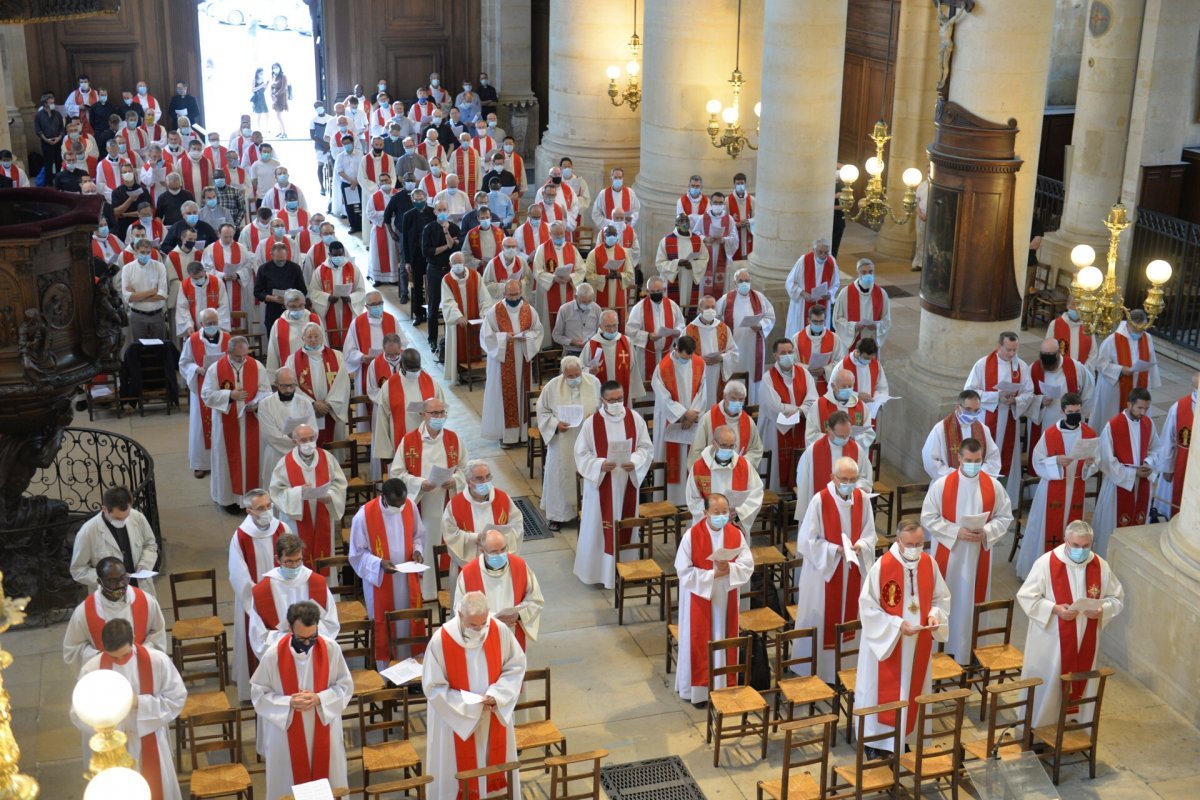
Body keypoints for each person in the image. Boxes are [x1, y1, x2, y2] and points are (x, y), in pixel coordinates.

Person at [1016, 520, 1124, 730]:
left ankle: (1074, 727)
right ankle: (1039, 726)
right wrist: (1055, 609)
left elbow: (1117, 599)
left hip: (1085, 638)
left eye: (1086, 546)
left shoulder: (1100, 565)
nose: (1081, 551)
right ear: (1066, 540)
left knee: (1079, 679)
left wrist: (1102, 610)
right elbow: (1027, 597)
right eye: (1076, 546)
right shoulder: (1046, 563)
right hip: (1051, 639)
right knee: (1049, 682)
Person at [855, 520, 951, 754]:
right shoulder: (882, 566)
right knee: (881, 692)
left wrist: (933, 616)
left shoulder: (929, 563)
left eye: (920, 543)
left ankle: (905, 737)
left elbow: (941, 598)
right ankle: (876, 743)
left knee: (912, 691)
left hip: (918, 644)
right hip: (888, 644)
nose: (915, 548)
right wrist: (898, 626)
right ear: (898, 541)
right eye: (910, 544)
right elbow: (868, 608)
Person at [422, 590, 526, 800]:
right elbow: (434, 687)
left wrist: (497, 695)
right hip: (457, 723)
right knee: (458, 777)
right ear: (459, 615)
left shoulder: (499, 630)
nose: (479, 630)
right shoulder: (441, 641)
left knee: (494, 773)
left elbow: (515, 666)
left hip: (493, 714)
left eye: (482, 623)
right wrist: (470, 707)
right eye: (472, 625)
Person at [921, 438, 1014, 664]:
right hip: (950, 556)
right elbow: (928, 517)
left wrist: (987, 532)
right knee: (947, 599)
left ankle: (968, 651)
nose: (974, 464)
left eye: (978, 460)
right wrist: (956, 532)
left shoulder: (993, 486)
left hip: (978, 556)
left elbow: (1005, 516)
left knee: (972, 601)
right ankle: (941, 651)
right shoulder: (942, 485)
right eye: (969, 460)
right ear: (959, 459)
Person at [73, 618, 186, 800]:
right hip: (113, 748)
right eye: (113, 657)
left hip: (150, 742)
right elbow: (77, 713)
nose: (119, 661)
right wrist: (106, 719)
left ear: (133, 639)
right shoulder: (92, 670)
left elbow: (176, 698)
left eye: (124, 655)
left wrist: (138, 702)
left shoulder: (157, 661)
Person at [251, 600, 353, 800]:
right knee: (287, 782)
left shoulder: (331, 649)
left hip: (323, 724)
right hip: (286, 731)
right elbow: (259, 694)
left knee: (329, 778)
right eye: (301, 638)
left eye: (312, 637)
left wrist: (319, 698)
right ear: (290, 629)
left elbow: (345, 686)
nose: (307, 643)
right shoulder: (273, 655)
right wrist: (288, 702)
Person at [793, 457, 878, 682]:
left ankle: (849, 669)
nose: (849, 483)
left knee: (852, 617)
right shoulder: (819, 501)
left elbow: (870, 533)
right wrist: (834, 550)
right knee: (822, 618)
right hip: (825, 574)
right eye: (844, 479)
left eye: (853, 479)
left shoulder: (863, 499)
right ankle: (819, 670)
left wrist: (861, 545)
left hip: (853, 570)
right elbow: (806, 541)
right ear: (833, 477)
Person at [674, 493, 754, 704]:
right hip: (700, 597)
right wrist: (712, 575)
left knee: (723, 638)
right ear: (705, 513)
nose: (721, 516)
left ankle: (723, 687)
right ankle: (698, 692)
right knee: (699, 640)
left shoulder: (736, 534)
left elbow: (747, 565)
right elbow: (683, 571)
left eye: (725, 512)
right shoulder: (692, 535)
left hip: (726, 595)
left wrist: (730, 568)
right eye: (716, 513)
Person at [574, 380, 653, 587]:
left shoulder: (635, 419)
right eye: (612, 400)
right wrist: (600, 464)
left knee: (625, 525)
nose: (617, 403)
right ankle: (599, 574)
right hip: (602, 485)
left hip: (626, 481)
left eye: (620, 398)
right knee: (598, 529)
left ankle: (626, 569)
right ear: (602, 400)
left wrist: (635, 461)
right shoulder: (591, 424)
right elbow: (581, 453)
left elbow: (646, 447)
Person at [1017, 393, 1099, 580]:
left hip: (1077, 486)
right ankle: (1042, 575)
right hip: (1051, 489)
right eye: (1070, 412)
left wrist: (1089, 463)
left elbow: (1095, 463)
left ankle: (1067, 572)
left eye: (1078, 412)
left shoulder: (1089, 434)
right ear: (1062, 411)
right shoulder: (1050, 434)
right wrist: (1055, 461)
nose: (1074, 415)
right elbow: (1037, 461)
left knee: (1072, 529)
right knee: (1047, 530)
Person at [391, 398, 468, 596]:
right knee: (425, 543)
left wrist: (456, 479)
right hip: (421, 503)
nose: (438, 417)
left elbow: (465, 467)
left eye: (442, 413)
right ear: (423, 414)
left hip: (446, 500)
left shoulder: (453, 439)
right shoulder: (409, 440)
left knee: (449, 545)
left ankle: (450, 590)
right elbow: (397, 473)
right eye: (434, 413)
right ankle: (426, 591)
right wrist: (419, 483)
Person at [349, 479, 426, 667]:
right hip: (381, 580)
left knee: (409, 623)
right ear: (383, 497)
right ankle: (386, 674)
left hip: (408, 579)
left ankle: (413, 671)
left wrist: (417, 551)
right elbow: (357, 554)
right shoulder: (364, 516)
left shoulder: (409, 506)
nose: (400, 508)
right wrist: (380, 564)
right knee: (386, 625)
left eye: (402, 502)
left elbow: (417, 535)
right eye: (395, 504)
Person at [227, 489, 286, 701]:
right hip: (252, 602)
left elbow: (294, 560)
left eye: (268, 506)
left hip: (282, 599)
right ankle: (255, 692)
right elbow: (238, 574)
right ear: (249, 510)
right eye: (260, 508)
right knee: (252, 640)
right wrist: (259, 601)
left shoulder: (282, 528)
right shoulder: (241, 536)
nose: (267, 511)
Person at [202, 336, 272, 514]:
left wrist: (256, 403)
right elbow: (207, 394)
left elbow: (265, 390)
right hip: (227, 423)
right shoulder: (215, 369)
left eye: (245, 355)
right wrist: (229, 395)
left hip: (251, 421)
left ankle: (254, 499)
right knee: (227, 460)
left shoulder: (256, 366)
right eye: (238, 356)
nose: (242, 359)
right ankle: (230, 500)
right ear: (228, 352)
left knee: (253, 459)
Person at [965, 331, 1034, 507]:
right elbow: (969, 393)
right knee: (985, 457)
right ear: (999, 346)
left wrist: (1015, 400)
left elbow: (1029, 392)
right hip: (988, 421)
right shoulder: (982, 365)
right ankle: (978, 501)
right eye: (1008, 350)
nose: (1012, 354)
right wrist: (997, 396)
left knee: (1007, 460)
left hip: (1010, 419)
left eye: (1015, 350)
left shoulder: (1022, 367)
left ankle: (1002, 503)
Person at [63, 558, 168, 671]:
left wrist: (137, 653)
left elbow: (158, 634)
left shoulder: (147, 602)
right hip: (107, 677)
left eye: (123, 578)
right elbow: (72, 650)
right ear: (100, 582)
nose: (120, 585)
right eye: (112, 581)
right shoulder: (83, 612)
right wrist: (102, 657)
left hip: (140, 670)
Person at [247, 536, 340, 661]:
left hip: (313, 650)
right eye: (289, 561)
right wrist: (292, 641)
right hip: (280, 655)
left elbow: (331, 622)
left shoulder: (316, 583)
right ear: (278, 559)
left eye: (298, 560)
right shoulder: (263, 591)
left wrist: (306, 636)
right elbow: (257, 634)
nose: (294, 566)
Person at [269, 424, 348, 570]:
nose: (308, 443)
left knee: (324, 559)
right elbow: (276, 492)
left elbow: (340, 483)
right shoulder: (285, 463)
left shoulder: (327, 458)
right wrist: (298, 492)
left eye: (311, 439)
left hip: (322, 513)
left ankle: (324, 590)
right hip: (297, 519)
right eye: (303, 440)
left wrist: (330, 496)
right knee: (296, 554)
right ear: (295, 442)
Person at [536, 356, 601, 529]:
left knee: (586, 473)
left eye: (577, 374)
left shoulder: (593, 382)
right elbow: (542, 412)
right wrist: (555, 424)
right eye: (570, 376)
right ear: (563, 373)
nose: (574, 379)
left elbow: (602, 407)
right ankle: (558, 516)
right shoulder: (552, 386)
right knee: (559, 476)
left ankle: (585, 513)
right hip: (562, 440)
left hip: (587, 439)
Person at [1093, 388, 1159, 556]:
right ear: (1129, 404)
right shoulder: (1113, 426)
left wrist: (1148, 463)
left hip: (1141, 484)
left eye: (1146, 408)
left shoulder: (1148, 424)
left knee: (1138, 524)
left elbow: (1156, 449)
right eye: (1139, 408)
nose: (1143, 412)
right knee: (1113, 526)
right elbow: (1107, 459)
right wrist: (1132, 474)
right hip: (1118, 486)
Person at [455, 529, 544, 650]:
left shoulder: (520, 566)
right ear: (482, 551)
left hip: (512, 634)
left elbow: (536, 599)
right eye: (494, 552)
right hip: (481, 638)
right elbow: (459, 610)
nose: (500, 554)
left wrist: (519, 614)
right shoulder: (468, 574)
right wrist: (489, 620)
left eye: (503, 549)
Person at [481, 280, 545, 445]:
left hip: (523, 359)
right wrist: (504, 338)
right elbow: (486, 337)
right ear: (504, 294)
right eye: (510, 295)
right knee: (503, 398)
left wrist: (527, 337)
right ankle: (506, 436)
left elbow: (538, 331)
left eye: (516, 294)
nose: (514, 298)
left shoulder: (529, 310)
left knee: (522, 396)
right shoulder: (494, 312)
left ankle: (523, 435)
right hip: (501, 362)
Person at [442, 461, 524, 584]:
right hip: (468, 569)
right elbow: (450, 535)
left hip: (500, 566)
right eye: (479, 479)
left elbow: (517, 525)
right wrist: (476, 537)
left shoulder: (502, 498)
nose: (485, 482)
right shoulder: (455, 505)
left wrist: (497, 539)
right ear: (468, 482)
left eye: (488, 477)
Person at [69, 486, 159, 598]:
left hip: (140, 591)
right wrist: (108, 579)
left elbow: (150, 545)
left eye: (126, 517)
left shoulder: (137, 517)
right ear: (104, 509)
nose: (122, 521)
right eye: (117, 518)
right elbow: (78, 570)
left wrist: (145, 564)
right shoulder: (88, 532)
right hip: (109, 597)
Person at [651, 336, 709, 504]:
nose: (688, 361)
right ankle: (668, 500)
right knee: (672, 462)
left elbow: (703, 391)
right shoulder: (663, 367)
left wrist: (693, 415)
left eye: (690, 358)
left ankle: (692, 499)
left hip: (693, 421)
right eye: (684, 358)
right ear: (676, 349)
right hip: (671, 420)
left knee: (692, 457)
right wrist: (683, 414)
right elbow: (663, 397)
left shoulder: (699, 363)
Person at [759, 338, 817, 491]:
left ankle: (796, 502)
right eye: (783, 353)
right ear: (775, 355)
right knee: (777, 471)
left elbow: (813, 400)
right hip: (776, 429)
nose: (787, 355)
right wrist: (800, 410)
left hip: (801, 428)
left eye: (790, 352)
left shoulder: (804, 373)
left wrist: (801, 411)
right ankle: (776, 501)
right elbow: (774, 407)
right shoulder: (768, 378)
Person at [372, 346, 445, 467]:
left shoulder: (431, 383)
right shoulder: (389, 386)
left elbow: (443, 409)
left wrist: (433, 416)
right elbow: (381, 419)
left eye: (417, 368)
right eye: (411, 369)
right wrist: (385, 451)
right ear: (401, 364)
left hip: (427, 443)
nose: (415, 372)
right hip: (399, 442)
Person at [178, 309, 229, 478]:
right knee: (200, 427)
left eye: (215, 322)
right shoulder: (192, 341)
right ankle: (201, 463)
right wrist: (197, 369)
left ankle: (223, 460)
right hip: (201, 387)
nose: (213, 326)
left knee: (223, 424)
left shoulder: (227, 338)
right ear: (201, 325)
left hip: (223, 387)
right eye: (209, 324)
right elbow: (184, 363)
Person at [1090, 310, 1161, 430]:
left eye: (1142, 329)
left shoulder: (1147, 338)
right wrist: (1121, 369)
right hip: (1117, 388)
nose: (1139, 333)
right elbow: (1101, 364)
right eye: (1136, 329)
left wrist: (1152, 380)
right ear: (1128, 324)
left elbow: (1151, 358)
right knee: (1113, 421)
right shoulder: (1112, 340)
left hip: (1139, 383)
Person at [794, 411, 873, 519]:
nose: (845, 439)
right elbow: (803, 483)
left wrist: (857, 487)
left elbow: (864, 476)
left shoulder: (857, 450)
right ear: (829, 430)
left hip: (848, 506)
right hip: (820, 509)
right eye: (840, 436)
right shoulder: (812, 452)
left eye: (847, 435)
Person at [685, 425, 764, 530]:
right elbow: (693, 499)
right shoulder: (699, 467)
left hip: (734, 523)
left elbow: (756, 493)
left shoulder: (744, 466)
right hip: (708, 525)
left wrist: (738, 512)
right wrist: (714, 514)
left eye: (731, 446)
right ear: (714, 443)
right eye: (723, 445)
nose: (728, 450)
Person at [715, 269, 774, 404]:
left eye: (747, 281)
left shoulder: (759, 298)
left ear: (751, 281)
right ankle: (733, 402)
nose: (744, 283)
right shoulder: (726, 299)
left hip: (753, 346)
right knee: (735, 375)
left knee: (752, 376)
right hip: (733, 347)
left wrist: (761, 326)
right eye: (741, 281)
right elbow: (716, 318)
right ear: (735, 283)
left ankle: (752, 403)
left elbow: (770, 317)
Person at [1028, 336, 1095, 453]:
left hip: (1070, 421)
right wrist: (1040, 401)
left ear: (1059, 353)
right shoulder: (1033, 369)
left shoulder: (1075, 367)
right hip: (1043, 422)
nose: (1048, 367)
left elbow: (1089, 389)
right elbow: (1025, 396)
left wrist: (1081, 413)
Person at [255, 366, 318, 487]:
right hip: (276, 455)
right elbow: (270, 436)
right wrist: (298, 441)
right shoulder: (265, 404)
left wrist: (301, 442)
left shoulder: (305, 402)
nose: (288, 390)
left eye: (291, 385)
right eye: (283, 386)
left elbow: (313, 431)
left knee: (300, 491)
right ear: (276, 384)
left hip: (302, 455)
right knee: (277, 492)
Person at [922, 389, 1002, 480]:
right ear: (958, 407)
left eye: (976, 410)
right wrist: (958, 476)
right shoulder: (941, 429)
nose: (972, 414)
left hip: (976, 483)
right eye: (968, 409)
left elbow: (993, 457)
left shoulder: (983, 429)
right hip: (949, 483)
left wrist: (978, 474)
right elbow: (930, 461)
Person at [1153, 372, 1197, 518]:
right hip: (1181, 464)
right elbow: (1167, 439)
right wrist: (1167, 467)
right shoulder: (1179, 408)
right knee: (1175, 506)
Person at [691, 380, 764, 467]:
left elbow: (756, 450)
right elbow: (697, 451)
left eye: (741, 399)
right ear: (724, 397)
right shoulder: (708, 418)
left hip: (738, 472)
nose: (737, 403)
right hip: (713, 472)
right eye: (733, 398)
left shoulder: (749, 422)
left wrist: (740, 463)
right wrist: (712, 465)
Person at [626, 275, 685, 379]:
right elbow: (630, 330)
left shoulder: (672, 305)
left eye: (659, 291)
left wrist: (677, 331)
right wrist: (648, 336)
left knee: (666, 385)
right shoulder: (639, 308)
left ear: (664, 290)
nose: (656, 294)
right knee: (648, 390)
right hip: (646, 355)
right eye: (652, 292)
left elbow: (681, 323)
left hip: (668, 353)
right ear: (647, 292)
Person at [424, 199, 464, 350]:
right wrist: (447, 245)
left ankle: (453, 338)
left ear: (448, 211)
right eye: (438, 210)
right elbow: (427, 252)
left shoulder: (453, 228)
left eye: (444, 210)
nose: (441, 213)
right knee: (434, 305)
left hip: (450, 270)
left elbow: (455, 251)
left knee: (454, 303)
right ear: (434, 212)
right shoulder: (428, 229)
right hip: (434, 269)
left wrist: (446, 232)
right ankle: (432, 339)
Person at [531, 221, 583, 332]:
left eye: (561, 233)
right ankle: (549, 345)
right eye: (556, 234)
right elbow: (537, 271)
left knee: (568, 318)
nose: (559, 236)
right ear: (550, 234)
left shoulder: (572, 249)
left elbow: (581, 270)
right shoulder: (542, 249)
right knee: (548, 321)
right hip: (548, 293)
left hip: (568, 289)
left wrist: (571, 277)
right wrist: (553, 278)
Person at [583, 309, 644, 405]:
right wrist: (589, 371)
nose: (612, 330)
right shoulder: (592, 345)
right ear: (600, 326)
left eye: (615, 326)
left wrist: (633, 393)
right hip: (600, 393)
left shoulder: (626, 342)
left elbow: (633, 369)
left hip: (623, 391)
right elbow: (581, 369)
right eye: (608, 326)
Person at [684, 295, 739, 400]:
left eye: (713, 307)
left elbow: (734, 353)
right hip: (697, 374)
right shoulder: (689, 330)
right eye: (707, 307)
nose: (710, 310)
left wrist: (722, 357)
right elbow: (681, 356)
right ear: (700, 309)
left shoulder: (723, 328)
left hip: (717, 375)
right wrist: (700, 360)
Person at [833, 257, 891, 352]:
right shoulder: (845, 293)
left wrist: (876, 326)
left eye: (870, 272)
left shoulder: (881, 293)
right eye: (864, 272)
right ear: (858, 273)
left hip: (871, 341)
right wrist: (854, 326)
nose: (868, 275)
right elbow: (837, 320)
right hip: (852, 344)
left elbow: (887, 321)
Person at [785, 238, 838, 337]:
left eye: (826, 252)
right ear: (813, 250)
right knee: (800, 335)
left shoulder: (831, 262)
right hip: (802, 304)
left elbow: (835, 284)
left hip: (822, 304)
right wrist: (803, 293)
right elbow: (790, 282)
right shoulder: (803, 260)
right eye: (820, 252)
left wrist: (830, 294)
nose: (823, 256)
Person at [656, 213, 707, 312]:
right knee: (673, 309)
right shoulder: (666, 240)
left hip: (690, 278)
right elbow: (659, 263)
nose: (685, 223)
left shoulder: (697, 240)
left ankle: (688, 322)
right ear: (676, 224)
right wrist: (677, 263)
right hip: (675, 278)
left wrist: (692, 264)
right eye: (681, 221)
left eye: (686, 221)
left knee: (689, 307)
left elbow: (704, 258)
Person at [120, 239, 168, 339]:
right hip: (137, 316)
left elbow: (162, 296)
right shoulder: (127, 269)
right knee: (139, 349)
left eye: (148, 252)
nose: (145, 255)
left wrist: (137, 296)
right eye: (142, 252)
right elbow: (127, 297)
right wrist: (151, 292)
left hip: (157, 315)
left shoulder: (160, 266)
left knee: (159, 348)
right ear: (136, 251)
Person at [792, 304, 844, 398]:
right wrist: (807, 368)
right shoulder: (797, 338)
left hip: (826, 385)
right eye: (815, 321)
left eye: (821, 321)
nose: (818, 324)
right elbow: (792, 362)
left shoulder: (834, 338)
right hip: (804, 384)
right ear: (808, 320)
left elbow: (840, 362)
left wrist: (824, 370)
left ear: (825, 320)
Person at [255, 243, 308, 332]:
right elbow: (257, 292)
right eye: (278, 261)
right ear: (271, 255)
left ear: (287, 254)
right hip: (273, 309)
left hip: (293, 308)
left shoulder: (295, 268)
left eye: (283, 260)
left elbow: (303, 290)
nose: (281, 263)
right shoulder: (263, 269)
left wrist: (292, 297)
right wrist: (272, 298)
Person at [175, 260, 229, 338]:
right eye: (194, 278)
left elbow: (223, 305)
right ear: (190, 275)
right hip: (194, 327)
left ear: (204, 271)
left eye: (200, 277)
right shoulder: (185, 285)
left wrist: (217, 325)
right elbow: (182, 308)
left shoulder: (217, 282)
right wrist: (188, 325)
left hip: (214, 327)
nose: (198, 280)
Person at [551, 283, 600, 357]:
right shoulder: (564, 310)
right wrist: (570, 342)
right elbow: (556, 335)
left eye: (589, 301)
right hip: (570, 352)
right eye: (583, 302)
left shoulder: (596, 309)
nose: (587, 305)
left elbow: (600, 331)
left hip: (591, 351)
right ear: (576, 297)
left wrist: (592, 341)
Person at [1048, 299, 1096, 366]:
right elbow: (1048, 350)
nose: (1077, 308)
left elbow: (1093, 353)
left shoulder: (1088, 327)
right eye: (1074, 304)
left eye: (1080, 305)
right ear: (1068, 306)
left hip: (1082, 371)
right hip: (1060, 371)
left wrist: (1083, 370)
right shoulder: (1055, 324)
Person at [482, 235, 530, 300]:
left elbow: (528, 278)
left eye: (513, 247)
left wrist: (520, 283)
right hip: (499, 299)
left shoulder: (522, 262)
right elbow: (486, 284)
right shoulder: (492, 263)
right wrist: (505, 286)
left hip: (517, 297)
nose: (511, 249)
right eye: (508, 247)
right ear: (502, 247)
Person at [35, 92, 65, 180]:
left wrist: (59, 138)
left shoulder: (57, 114)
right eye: (51, 103)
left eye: (53, 102)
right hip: (46, 143)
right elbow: (38, 130)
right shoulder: (39, 115)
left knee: (58, 161)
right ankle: (48, 182)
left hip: (58, 141)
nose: (53, 105)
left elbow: (62, 128)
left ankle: (59, 180)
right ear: (45, 104)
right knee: (48, 163)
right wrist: (46, 140)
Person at [269, 63, 289, 137]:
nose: (275, 69)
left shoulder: (283, 76)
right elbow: (271, 87)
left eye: (276, 67)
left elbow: (283, 88)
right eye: (273, 68)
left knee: (279, 115)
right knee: (277, 115)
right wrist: (272, 95)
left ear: (280, 68)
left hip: (281, 98)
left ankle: (284, 132)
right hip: (275, 98)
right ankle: (281, 132)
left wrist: (276, 95)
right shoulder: (274, 77)